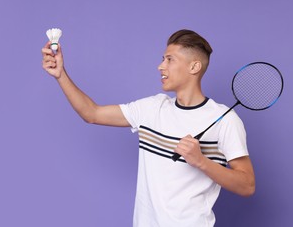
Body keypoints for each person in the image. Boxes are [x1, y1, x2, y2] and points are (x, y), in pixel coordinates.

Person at [41, 29, 255, 226]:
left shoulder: (225, 119)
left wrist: (200, 161)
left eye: (170, 60)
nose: (161, 66)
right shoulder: (153, 108)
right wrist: (61, 75)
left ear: (194, 66)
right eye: (163, 59)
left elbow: (247, 185)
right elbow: (92, 113)